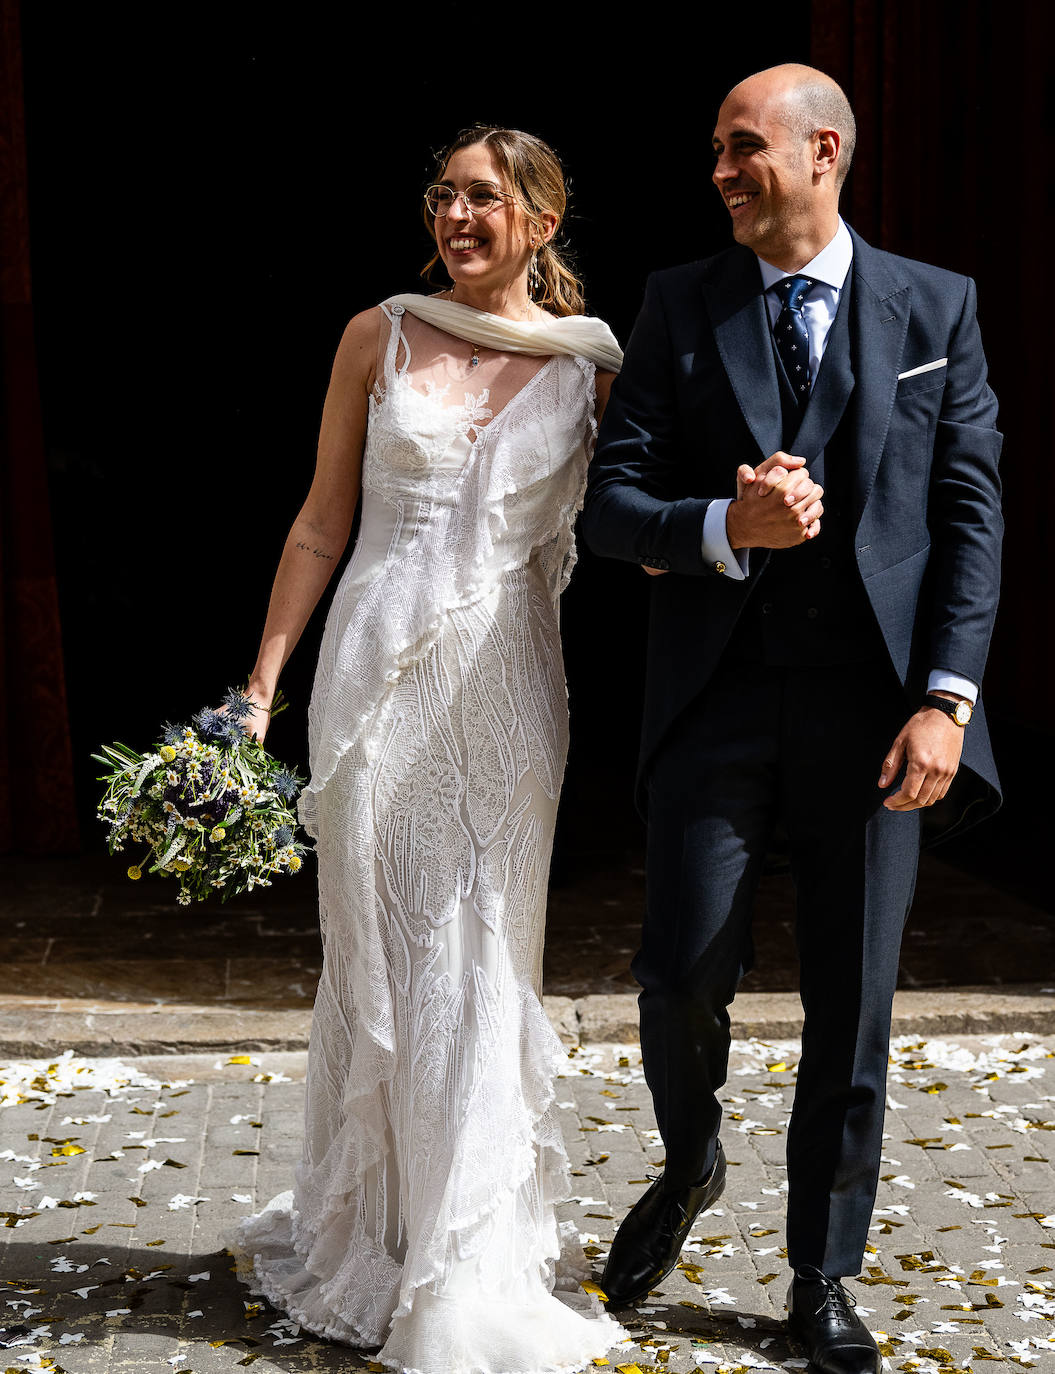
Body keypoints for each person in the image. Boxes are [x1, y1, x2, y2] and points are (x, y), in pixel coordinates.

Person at [580, 64, 1002, 1374]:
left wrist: (943, 698)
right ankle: (690, 1150)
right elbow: (608, 506)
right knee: (678, 970)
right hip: (715, 703)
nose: (717, 171)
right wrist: (721, 525)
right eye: (713, 149)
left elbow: (966, 517)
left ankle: (820, 1274)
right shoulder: (675, 304)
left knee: (851, 1004)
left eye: (739, 148)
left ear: (821, 151)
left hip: (877, 718)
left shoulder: (937, 306)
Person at [233, 127, 625, 1374]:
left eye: (484, 198)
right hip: (371, 675)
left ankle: (466, 1260)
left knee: (473, 944)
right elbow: (316, 523)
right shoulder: (378, 334)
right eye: (443, 195)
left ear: (541, 221)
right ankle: (381, 1234)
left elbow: (637, 516)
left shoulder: (595, 365)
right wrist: (259, 690)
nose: (457, 216)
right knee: (379, 950)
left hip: (504, 683)